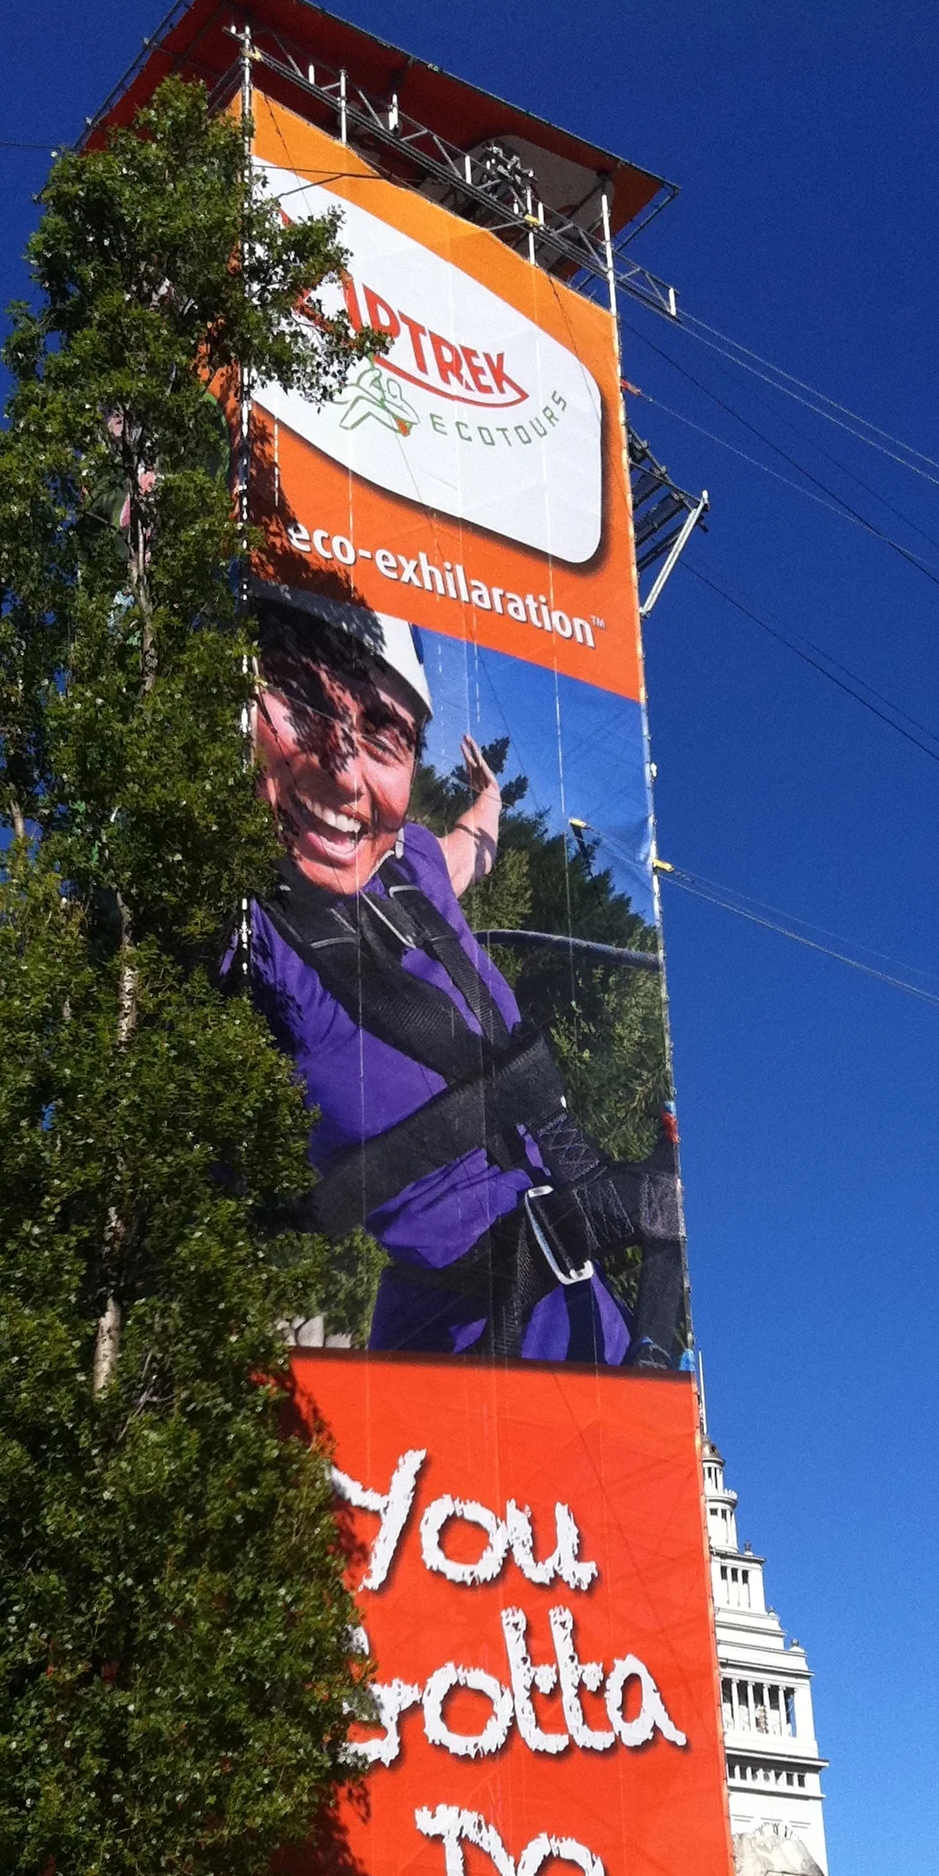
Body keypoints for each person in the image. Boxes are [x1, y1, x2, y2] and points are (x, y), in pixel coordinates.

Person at [241, 583, 683, 1364]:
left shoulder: (410, 861)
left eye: (385, 740)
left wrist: (490, 800)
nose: (347, 775)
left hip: (596, 1299)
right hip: (463, 1339)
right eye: (305, 706)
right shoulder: (256, 935)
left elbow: (468, 846)